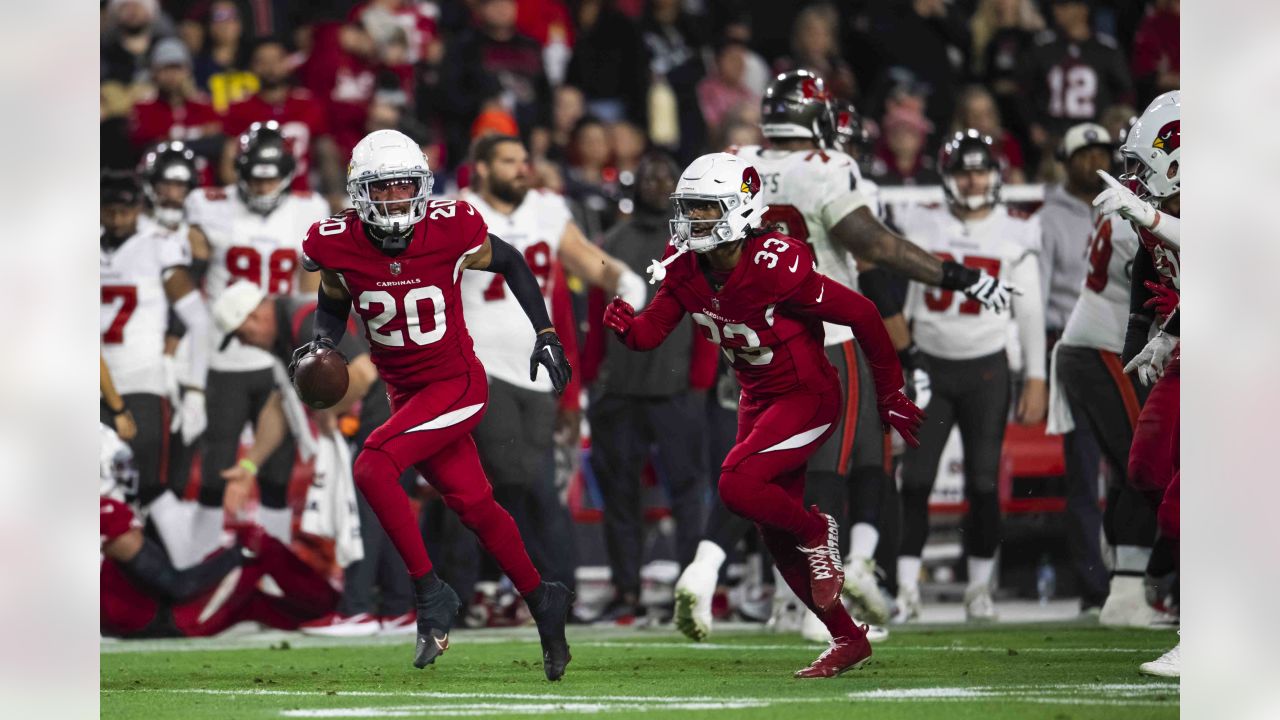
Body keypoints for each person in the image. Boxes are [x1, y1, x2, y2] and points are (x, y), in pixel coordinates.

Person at [672, 71, 1016, 645]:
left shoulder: (734, 158)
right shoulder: (827, 167)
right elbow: (874, 246)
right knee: (824, 476)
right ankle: (816, 611)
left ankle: (704, 569)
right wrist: (959, 277)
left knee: (751, 467)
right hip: (822, 335)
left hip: (748, 334)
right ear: (817, 117)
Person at [603, 150, 924, 678]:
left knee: (734, 484)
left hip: (808, 395)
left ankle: (819, 530)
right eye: (691, 208)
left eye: (706, 209)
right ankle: (847, 637)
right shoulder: (686, 267)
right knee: (775, 537)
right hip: (757, 400)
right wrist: (624, 326)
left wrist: (890, 392)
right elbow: (651, 333)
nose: (693, 220)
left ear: (739, 209)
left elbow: (864, 314)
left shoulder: (777, 263)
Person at [294, 129, 574, 678]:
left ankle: (430, 594)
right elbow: (333, 300)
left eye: (406, 187)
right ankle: (544, 599)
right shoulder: (334, 242)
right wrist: (323, 342)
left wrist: (544, 331)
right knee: (475, 506)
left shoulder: (451, 228)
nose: (398, 199)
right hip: (406, 390)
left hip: (457, 383)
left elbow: (514, 262)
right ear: (360, 194)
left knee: (372, 465)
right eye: (385, 189)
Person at [458, 134, 647, 603]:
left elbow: (588, 258)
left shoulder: (546, 208)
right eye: (508, 161)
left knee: (525, 483)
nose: (522, 169)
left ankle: (526, 588)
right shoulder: (455, 213)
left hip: (537, 370)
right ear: (481, 168)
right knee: (520, 477)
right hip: (481, 367)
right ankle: (519, 586)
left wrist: (623, 279)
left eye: (524, 160)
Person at [894, 130, 1047, 623]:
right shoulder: (921, 225)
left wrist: (1036, 376)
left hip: (986, 367)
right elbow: (905, 306)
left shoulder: (1016, 230)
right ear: (948, 175)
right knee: (915, 481)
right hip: (931, 367)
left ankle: (979, 589)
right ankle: (905, 588)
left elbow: (1029, 312)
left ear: (997, 174)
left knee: (982, 482)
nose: (974, 179)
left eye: (981, 169)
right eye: (965, 170)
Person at [184, 121, 330, 557]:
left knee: (278, 473)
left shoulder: (309, 207)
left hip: (277, 352)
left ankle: (273, 568)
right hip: (224, 354)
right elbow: (189, 275)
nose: (264, 184)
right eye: (256, 175)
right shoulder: (206, 205)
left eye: (271, 175)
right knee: (215, 468)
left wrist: (309, 343)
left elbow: (311, 288)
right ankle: (201, 565)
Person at [585, 152, 716, 621]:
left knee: (688, 493)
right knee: (621, 497)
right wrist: (588, 379)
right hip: (620, 391)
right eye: (650, 176)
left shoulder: (693, 242)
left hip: (677, 390)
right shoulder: (613, 240)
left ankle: (691, 586)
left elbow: (707, 311)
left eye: (666, 176)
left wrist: (701, 378)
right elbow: (595, 319)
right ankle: (626, 590)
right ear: (635, 183)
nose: (658, 183)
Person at [1047, 157, 1163, 627]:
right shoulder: (1139, 216)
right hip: (1103, 347)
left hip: (1098, 346)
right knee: (1142, 464)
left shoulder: (1128, 206)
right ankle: (1128, 590)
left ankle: (1126, 587)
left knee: (1126, 469)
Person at [1094, 91, 1180, 678]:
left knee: (1190, 501)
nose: (1133, 177)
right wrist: (1157, 334)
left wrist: (1147, 216)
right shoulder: (1162, 205)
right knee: (1148, 470)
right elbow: (1151, 270)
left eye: (1142, 161)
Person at [100, 424, 339, 638]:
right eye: (118, 465)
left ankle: (319, 619)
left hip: (148, 620)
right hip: (173, 619)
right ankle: (339, 608)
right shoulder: (105, 512)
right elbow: (178, 585)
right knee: (258, 543)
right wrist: (239, 553)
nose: (126, 473)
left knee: (253, 604)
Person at [1037, 122, 1116, 614]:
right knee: (1084, 470)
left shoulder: (1127, 205)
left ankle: (1143, 577)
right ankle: (1094, 586)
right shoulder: (1047, 219)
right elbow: (1041, 292)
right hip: (1072, 346)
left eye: (1101, 152)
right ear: (1065, 162)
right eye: (1084, 153)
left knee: (1138, 466)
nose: (1094, 161)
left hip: (1127, 346)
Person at [100, 171, 211, 507]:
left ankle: (175, 560)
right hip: (94, 381)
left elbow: (200, 321)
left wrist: (195, 390)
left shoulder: (157, 247)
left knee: (149, 489)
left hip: (142, 380)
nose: (118, 217)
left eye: (125, 209)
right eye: (109, 208)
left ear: (138, 209)